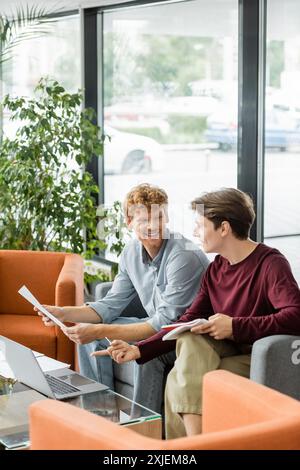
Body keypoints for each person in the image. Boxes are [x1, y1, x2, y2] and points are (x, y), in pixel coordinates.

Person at [96, 187, 300, 438]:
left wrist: (235, 326)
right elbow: (187, 320)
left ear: (223, 228)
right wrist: (139, 349)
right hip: (227, 348)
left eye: (200, 225)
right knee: (189, 339)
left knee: (178, 380)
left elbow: (295, 315)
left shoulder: (271, 264)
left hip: (257, 357)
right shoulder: (216, 269)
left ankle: (194, 446)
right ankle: (188, 448)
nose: (194, 232)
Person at [36, 183, 209, 413]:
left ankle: (143, 424)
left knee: (121, 343)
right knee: (89, 332)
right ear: (129, 222)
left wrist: (98, 330)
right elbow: (110, 305)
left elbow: (164, 325)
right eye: (143, 220)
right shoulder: (130, 253)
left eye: (158, 217)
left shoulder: (183, 255)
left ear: (166, 217)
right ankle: (101, 414)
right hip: (158, 326)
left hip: (183, 334)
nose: (152, 226)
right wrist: (62, 312)